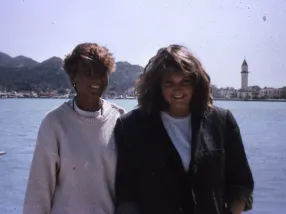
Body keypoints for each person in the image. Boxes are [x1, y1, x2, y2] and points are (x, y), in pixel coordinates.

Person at [114, 44, 254, 214]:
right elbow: (126, 195)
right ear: (157, 85)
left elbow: (241, 184)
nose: (177, 88)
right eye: (169, 83)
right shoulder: (131, 126)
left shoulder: (221, 121)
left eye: (185, 81)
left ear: (196, 84)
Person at [23, 43, 125, 214]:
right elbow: (39, 190)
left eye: (101, 73)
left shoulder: (121, 119)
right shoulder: (54, 123)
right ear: (73, 77)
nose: (96, 80)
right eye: (88, 73)